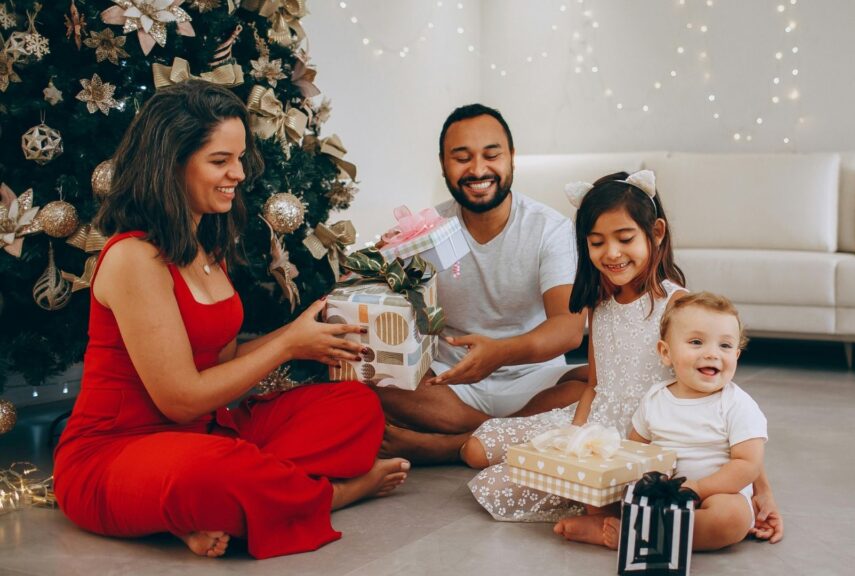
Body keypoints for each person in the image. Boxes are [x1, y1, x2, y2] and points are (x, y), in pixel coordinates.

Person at [52, 80, 409, 560]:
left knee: (354, 407)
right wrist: (286, 347)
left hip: (207, 435)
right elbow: (180, 400)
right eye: (220, 161)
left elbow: (222, 363)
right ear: (171, 164)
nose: (238, 173)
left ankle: (199, 512)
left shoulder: (205, 247)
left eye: (239, 159)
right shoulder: (133, 257)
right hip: (114, 453)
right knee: (217, 474)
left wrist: (301, 331)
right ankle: (332, 496)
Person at [464, 169, 688, 523]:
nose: (611, 253)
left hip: (639, 436)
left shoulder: (677, 306)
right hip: (593, 422)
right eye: (597, 242)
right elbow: (594, 386)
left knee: (506, 484)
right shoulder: (599, 306)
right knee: (476, 449)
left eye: (625, 238)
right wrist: (574, 435)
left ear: (655, 233)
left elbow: (705, 393)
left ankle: (597, 510)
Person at [378, 104, 588, 463]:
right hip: (448, 384)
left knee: (594, 387)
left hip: (531, 383)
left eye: (491, 155)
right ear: (443, 164)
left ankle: (448, 447)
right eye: (462, 158)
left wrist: (501, 353)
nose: (478, 170)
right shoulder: (425, 232)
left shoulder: (549, 229)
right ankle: (498, 436)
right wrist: (381, 268)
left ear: (512, 159)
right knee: (377, 383)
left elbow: (569, 329)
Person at [602, 291, 772, 550]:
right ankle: (631, 525)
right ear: (665, 352)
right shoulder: (655, 398)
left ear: (736, 355)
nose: (712, 353)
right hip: (665, 494)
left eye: (725, 345)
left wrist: (699, 488)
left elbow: (748, 464)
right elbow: (636, 450)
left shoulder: (737, 404)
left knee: (731, 519)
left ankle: (639, 537)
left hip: (720, 494)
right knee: (610, 491)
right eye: (696, 342)